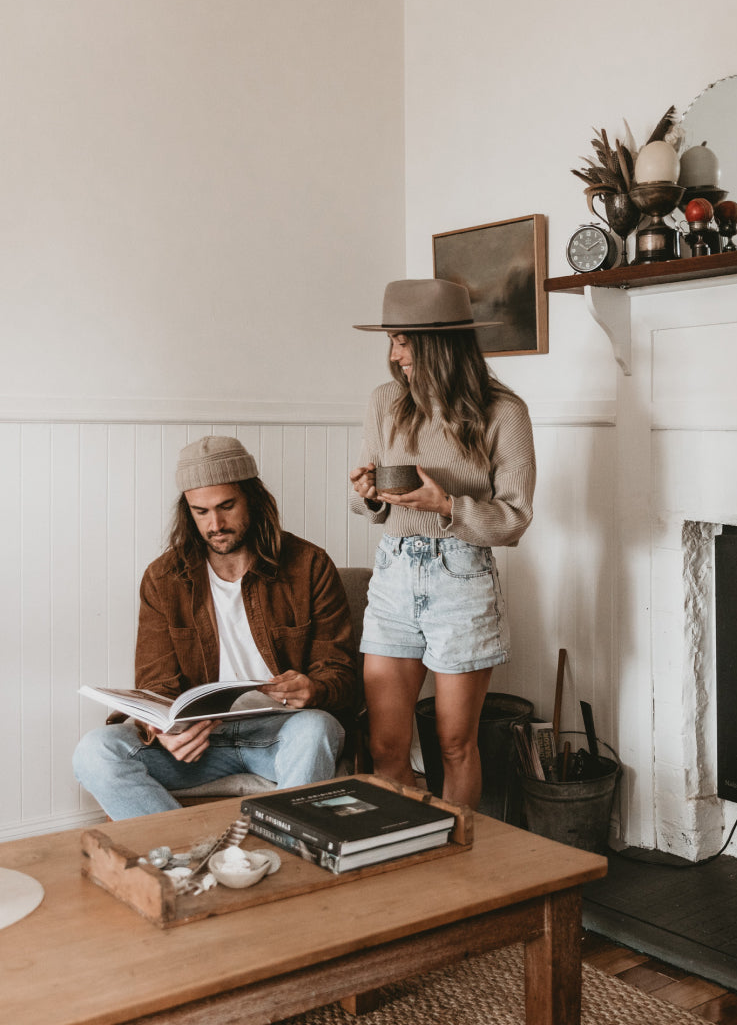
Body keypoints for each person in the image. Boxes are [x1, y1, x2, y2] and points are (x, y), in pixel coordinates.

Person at [73, 436, 359, 820]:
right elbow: (156, 683)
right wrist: (165, 730)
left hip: (284, 733)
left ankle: (288, 854)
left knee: (317, 728)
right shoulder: (164, 577)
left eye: (227, 506)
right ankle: (187, 855)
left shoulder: (309, 565)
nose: (215, 524)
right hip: (203, 744)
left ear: (254, 500)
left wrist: (314, 687)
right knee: (95, 750)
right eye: (201, 511)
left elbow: (340, 673)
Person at [349, 278, 535, 809]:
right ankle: (406, 853)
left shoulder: (504, 412)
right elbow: (372, 502)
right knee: (387, 745)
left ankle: (457, 867)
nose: (394, 355)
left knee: (454, 744)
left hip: (462, 577)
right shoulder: (385, 402)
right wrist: (367, 495)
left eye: (402, 341)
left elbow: (515, 520)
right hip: (393, 576)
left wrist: (448, 506)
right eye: (391, 341)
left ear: (438, 343)